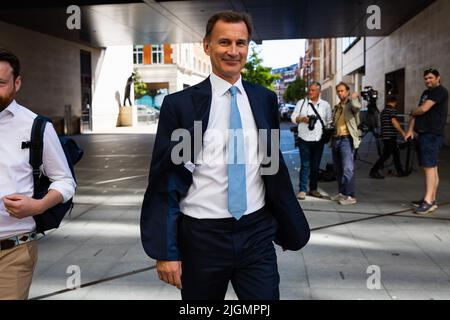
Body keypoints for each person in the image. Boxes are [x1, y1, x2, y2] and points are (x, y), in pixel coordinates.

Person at [140, 11, 310, 300]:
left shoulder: (264, 98)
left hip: (256, 234)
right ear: (207, 46)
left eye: (241, 43)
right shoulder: (181, 106)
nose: (233, 51)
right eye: (224, 42)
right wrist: (165, 250)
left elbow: (270, 165)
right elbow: (165, 182)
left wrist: (283, 223)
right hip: (201, 238)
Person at [0, 48, 76, 299]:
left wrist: (38, 205)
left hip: (13, 251)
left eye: (0, 83)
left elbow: (65, 181)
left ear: (17, 82)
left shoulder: (36, 127)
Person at [405, 68, 448, 214]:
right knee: (432, 168)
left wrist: (413, 111)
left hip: (432, 135)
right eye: (426, 78)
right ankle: (431, 198)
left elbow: (422, 109)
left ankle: (428, 201)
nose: (428, 80)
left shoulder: (440, 91)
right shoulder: (426, 93)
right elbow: (417, 112)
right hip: (424, 134)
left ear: (438, 77)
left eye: (430, 78)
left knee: (429, 168)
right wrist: (410, 130)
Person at [291, 82, 332, 200]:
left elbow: (329, 121)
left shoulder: (325, 105)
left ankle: (313, 189)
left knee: (315, 166)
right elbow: (293, 117)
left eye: (313, 90)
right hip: (304, 138)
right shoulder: (301, 103)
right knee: (305, 165)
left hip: (318, 140)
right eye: (309, 90)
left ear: (319, 92)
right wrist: (301, 118)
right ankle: (302, 190)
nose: (310, 92)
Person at [330, 82, 361, 206]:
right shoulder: (337, 107)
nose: (340, 93)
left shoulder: (352, 104)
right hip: (336, 139)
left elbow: (357, 107)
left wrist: (354, 98)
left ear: (347, 91)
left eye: (342, 90)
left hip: (347, 140)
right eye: (338, 91)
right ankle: (342, 193)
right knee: (338, 169)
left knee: (348, 169)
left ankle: (350, 195)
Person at [369, 96, 407, 179]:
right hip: (390, 136)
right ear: (394, 102)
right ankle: (373, 171)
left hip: (385, 136)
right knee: (386, 155)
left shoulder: (383, 111)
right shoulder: (392, 110)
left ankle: (400, 171)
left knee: (396, 153)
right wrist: (403, 132)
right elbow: (394, 122)